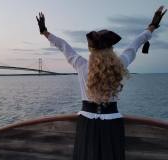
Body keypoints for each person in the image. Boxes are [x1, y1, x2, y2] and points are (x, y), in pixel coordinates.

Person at [36, 6, 167, 160]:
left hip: (87, 125)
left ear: (91, 50)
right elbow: (135, 44)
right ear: (111, 49)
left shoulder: (81, 64)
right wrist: (151, 27)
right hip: (112, 125)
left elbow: (63, 45)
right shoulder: (120, 64)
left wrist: (44, 32)